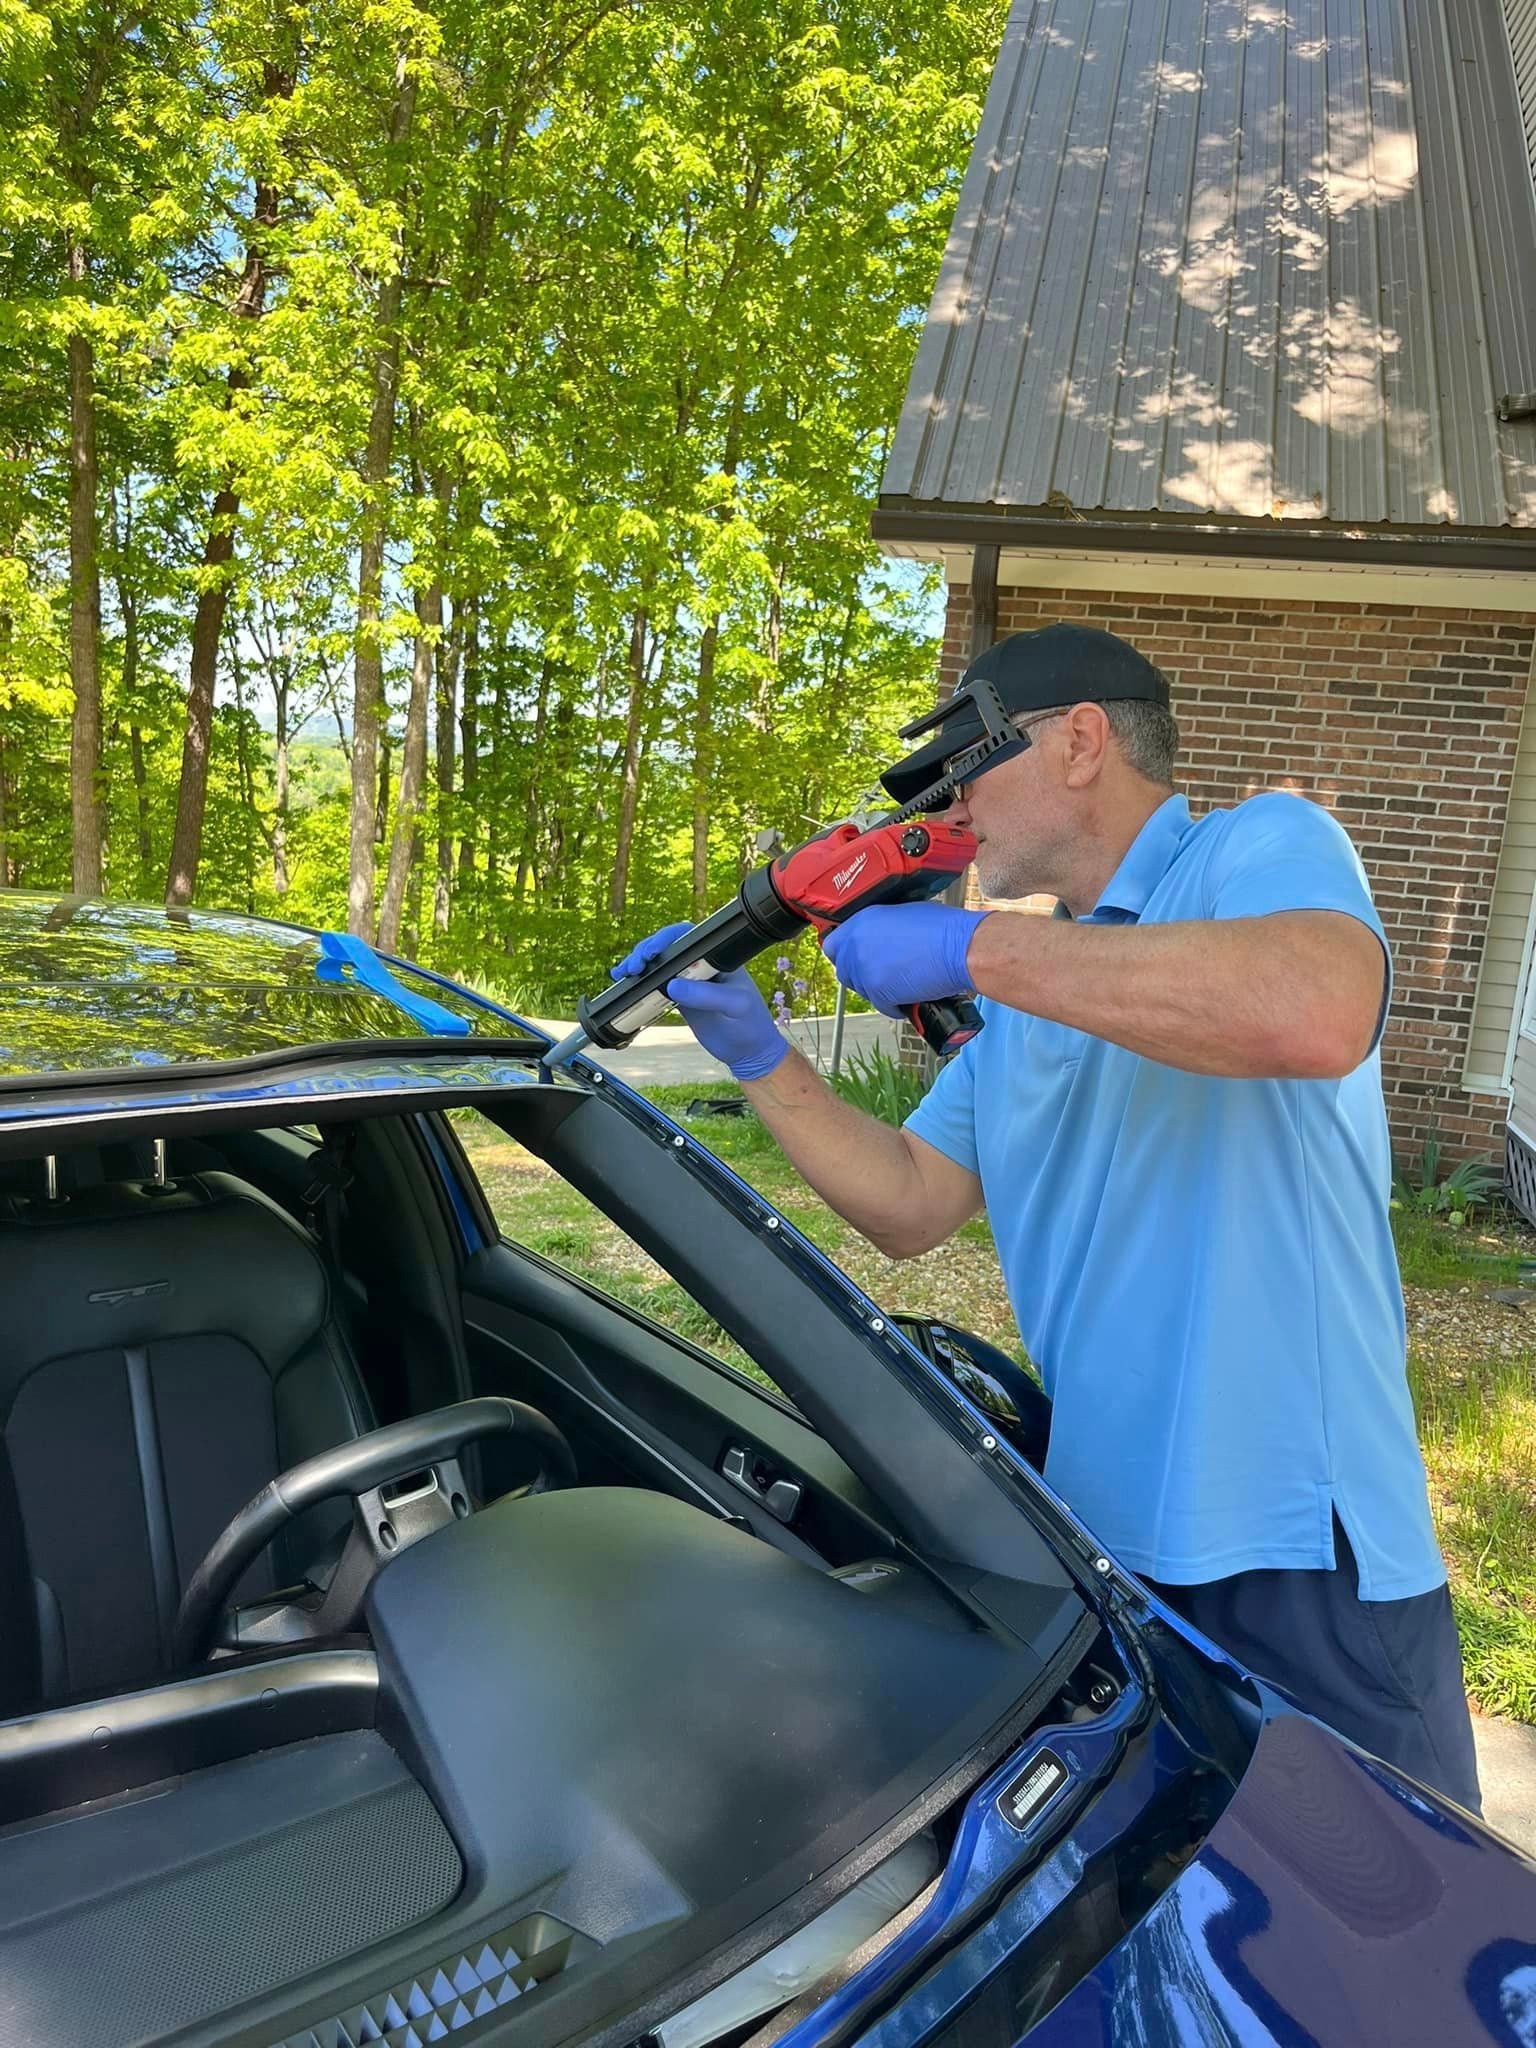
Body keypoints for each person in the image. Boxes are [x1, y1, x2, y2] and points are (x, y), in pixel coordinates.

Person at [614, 622, 1480, 1814]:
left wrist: (975, 944)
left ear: (1081, 740)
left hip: (1298, 1545)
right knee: (1190, 1899)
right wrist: (761, 1057)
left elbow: (1317, 1005)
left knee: (1405, 1905)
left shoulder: (1259, 845)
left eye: (972, 762)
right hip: (1108, 1547)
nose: (954, 804)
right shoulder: (1029, 998)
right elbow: (909, 1200)